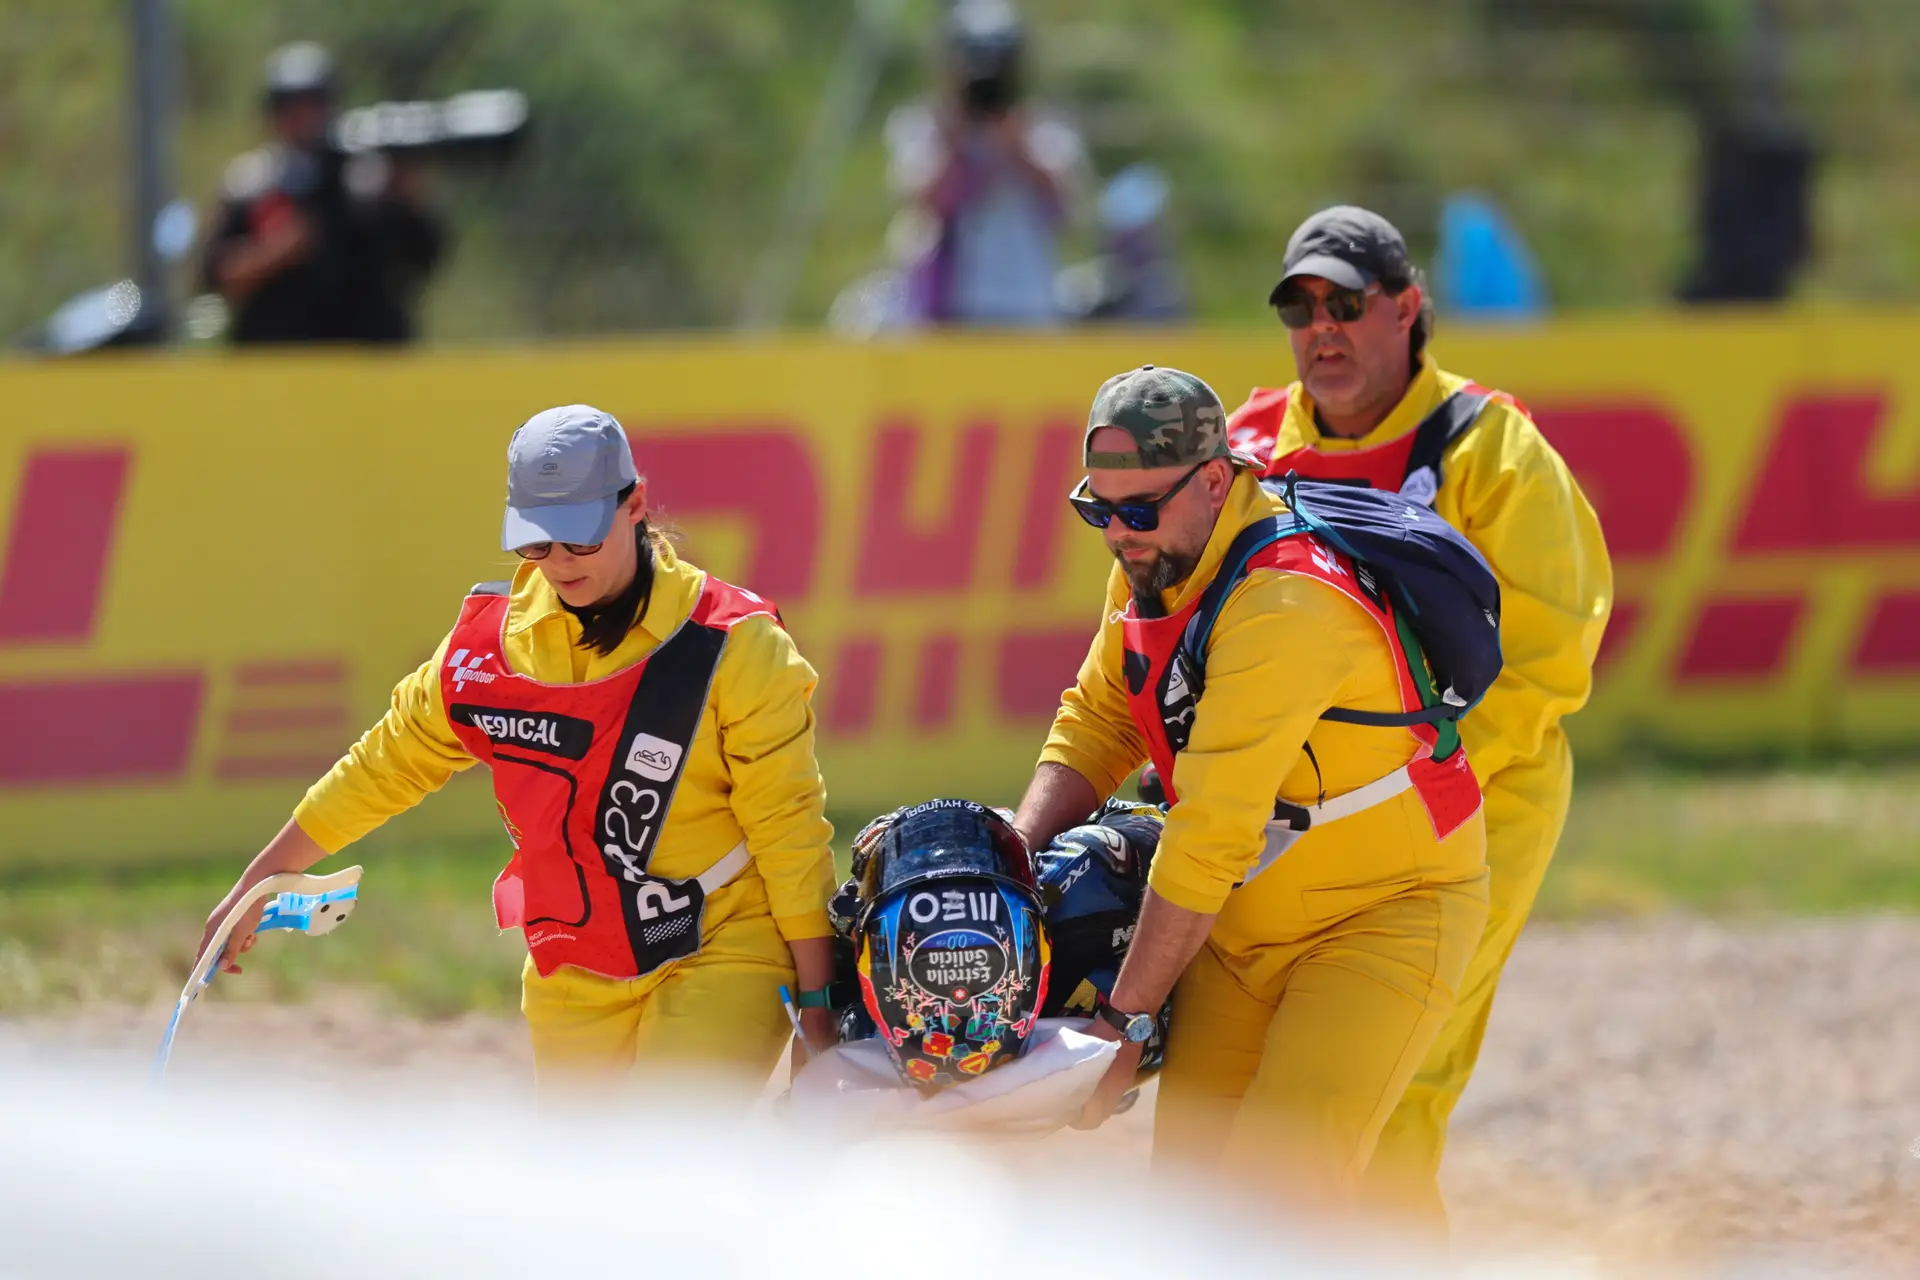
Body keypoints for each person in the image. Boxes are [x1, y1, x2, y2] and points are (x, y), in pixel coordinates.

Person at [196, 405, 837, 1094]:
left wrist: (818, 1011)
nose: (558, 565)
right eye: (536, 543)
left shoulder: (736, 645)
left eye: (580, 541)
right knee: (575, 1195)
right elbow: (384, 766)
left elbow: (789, 834)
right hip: (573, 962)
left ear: (635, 506)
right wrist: (256, 883)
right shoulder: (486, 649)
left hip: (723, 943)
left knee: (661, 1161)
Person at [1012, 366, 1490, 1208]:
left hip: (1383, 914)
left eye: (1137, 511)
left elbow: (1211, 834)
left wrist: (1122, 1025)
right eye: (1099, 510)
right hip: (1240, 928)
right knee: (1196, 1212)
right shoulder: (1155, 559)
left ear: (1212, 480)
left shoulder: (1283, 603)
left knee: (1280, 1198)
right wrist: (1013, 856)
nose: (1118, 536)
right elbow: (1102, 717)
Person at [1225, 206, 1613, 1232]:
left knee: (1395, 1079)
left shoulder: (1489, 448)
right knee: (1259, 1075)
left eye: (1347, 304)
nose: (1323, 330)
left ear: (1409, 309)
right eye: (1300, 308)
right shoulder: (1250, 444)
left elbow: (1552, 648)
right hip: (1302, 819)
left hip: (1472, 807)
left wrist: (1420, 779)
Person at [199, 42, 445, 345]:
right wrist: (278, 251)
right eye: (293, 108)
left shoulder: (365, 183)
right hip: (278, 355)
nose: (306, 119)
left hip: (365, 356)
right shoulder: (252, 185)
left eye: (315, 105)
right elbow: (215, 278)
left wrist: (405, 197)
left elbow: (423, 257)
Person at [884, 0, 1089, 327]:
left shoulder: (1041, 128)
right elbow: (926, 204)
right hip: (947, 309)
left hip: (1030, 306)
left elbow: (1067, 207)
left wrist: (1016, 144)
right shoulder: (928, 127)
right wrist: (954, 143)